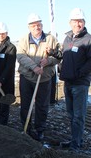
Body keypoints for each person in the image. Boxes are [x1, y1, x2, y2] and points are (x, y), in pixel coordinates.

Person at [48, 8, 91, 151]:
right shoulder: (67, 39)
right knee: (71, 114)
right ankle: (74, 139)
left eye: (80, 21)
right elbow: (64, 56)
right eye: (74, 21)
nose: (77, 24)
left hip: (80, 83)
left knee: (79, 116)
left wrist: (79, 73)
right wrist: (54, 53)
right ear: (70, 22)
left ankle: (76, 145)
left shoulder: (88, 39)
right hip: (68, 82)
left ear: (84, 22)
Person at [17, 13, 59, 141]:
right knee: (25, 104)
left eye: (39, 24)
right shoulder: (24, 39)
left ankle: (40, 129)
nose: (37, 27)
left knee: (42, 105)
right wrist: (34, 67)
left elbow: (58, 56)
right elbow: (20, 56)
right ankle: (26, 128)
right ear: (29, 27)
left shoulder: (51, 39)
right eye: (34, 25)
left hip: (44, 79)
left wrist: (49, 61)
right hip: (27, 77)